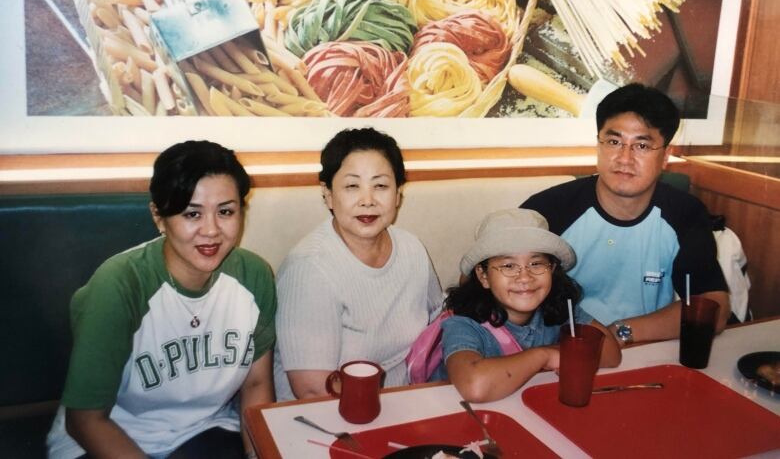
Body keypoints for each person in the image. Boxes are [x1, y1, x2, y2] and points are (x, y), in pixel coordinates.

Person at [47, 141, 276, 458]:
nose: (211, 230)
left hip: (204, 432)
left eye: (225, 211)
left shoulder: (254, 276)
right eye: (191, 213)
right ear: (158, 216)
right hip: (109, 438)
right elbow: (85, 420)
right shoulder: (119, 285)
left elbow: (256, 385)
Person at [522, 83, 729, 346]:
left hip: (643, 347)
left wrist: (617, 333)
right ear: (598, 146)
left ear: (666, 156)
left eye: (641, 146)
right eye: (613, 141)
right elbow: (482, 281)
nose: (625, 158)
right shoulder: (549, 210)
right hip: (556, 351)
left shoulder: (685, 213)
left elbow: (714, 308)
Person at [274, 127, 442, 401]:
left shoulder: (412, 248)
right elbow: (313, 390)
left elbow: (438, 325)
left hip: (405, 401)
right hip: (329, 414)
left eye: (381, 186)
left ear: (398, 194)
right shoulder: (309, 268)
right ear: (327, 194)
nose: (368, 201)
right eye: (352, 186)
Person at [432, 209, 621, 403]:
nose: (524, 277)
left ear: (552, 269)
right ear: (484, 276)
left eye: (536, 263)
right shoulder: (464, 323)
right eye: (508, 266)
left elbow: (611, 354)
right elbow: (475, 387)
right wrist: (544, 356)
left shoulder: (560, 308)